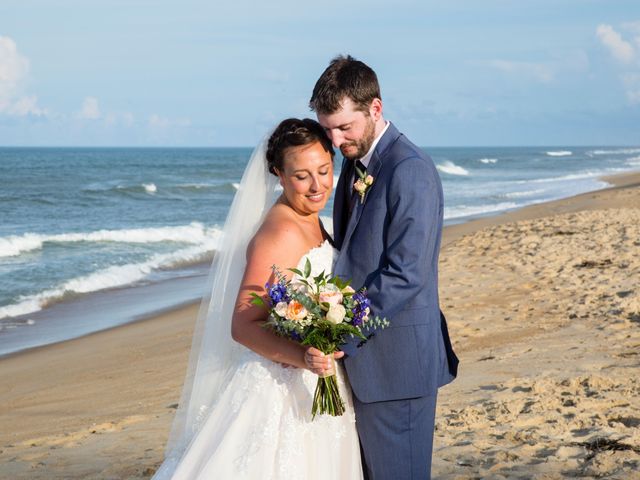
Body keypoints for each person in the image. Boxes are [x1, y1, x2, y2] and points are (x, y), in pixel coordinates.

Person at [152, 118, 363, 479]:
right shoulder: (279, 230)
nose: (317, 186)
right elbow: (243, 323)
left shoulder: (309, 215)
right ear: (278, 175)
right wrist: (302, 355)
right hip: (283, 388)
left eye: (324, 170)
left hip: (315, 378)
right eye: (301, 176)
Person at [306, 55, 459, 479]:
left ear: (375, 108)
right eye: (328, 129)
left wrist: (342, 328)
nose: (335, 140)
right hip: (367, 365)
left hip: (397, 366)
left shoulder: (409, 171)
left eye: (344, 126)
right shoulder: (359, 163)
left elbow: (406, 273)